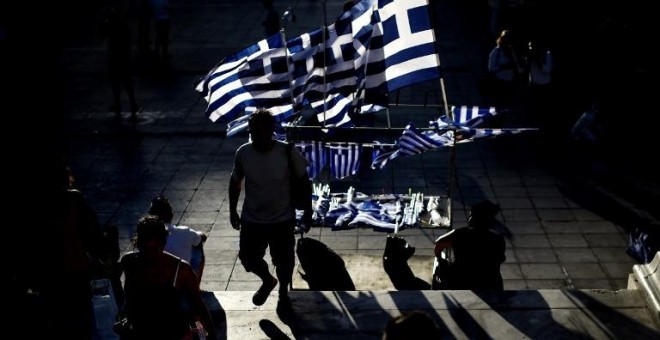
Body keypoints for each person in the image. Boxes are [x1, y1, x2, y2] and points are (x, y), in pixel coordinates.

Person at [229, 109, 313, 311]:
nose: (256, 137)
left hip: (282, 219)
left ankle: (283, 292)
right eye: (252, 132)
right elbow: (235, 182)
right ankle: (268, 280)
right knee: (248, 258)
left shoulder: (286, 151)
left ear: (271, 131)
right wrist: (232, 211)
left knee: (284, 261)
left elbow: (303, 181)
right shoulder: (243, 153)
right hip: (252, 219)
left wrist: (308, 212)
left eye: (260, 132)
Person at [117, 215, 215, 339]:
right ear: (137, 243)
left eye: (154, 249)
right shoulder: (129, 262)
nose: (149, 255)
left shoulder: (181, 270)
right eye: (144, 249)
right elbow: (127, 300)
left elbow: (197, 307)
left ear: (163, 244)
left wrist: (209, 334)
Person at [436, 200, 506, 291]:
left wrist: (440, 260)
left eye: (471, 215)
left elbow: (439, 243)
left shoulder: (459, 234)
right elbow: (498, 262)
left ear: (474, 219)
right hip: (489, 283)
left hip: (461, 282)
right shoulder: (497, 239)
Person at [149, 194, 207, 283]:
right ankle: (196, 286)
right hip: (180, 280)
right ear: (171, 215)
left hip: (154, 281)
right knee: (197, 248)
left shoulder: (145, 235)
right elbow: (201, 238)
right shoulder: (186, 232)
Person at [102, 7, 139, 121]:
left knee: (116, 84)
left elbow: (102, 34)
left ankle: (118, 105)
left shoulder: (112, 26)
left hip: (115, 58)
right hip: (124, 57)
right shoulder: (124, 26)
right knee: (127, 82)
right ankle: (132, 103)